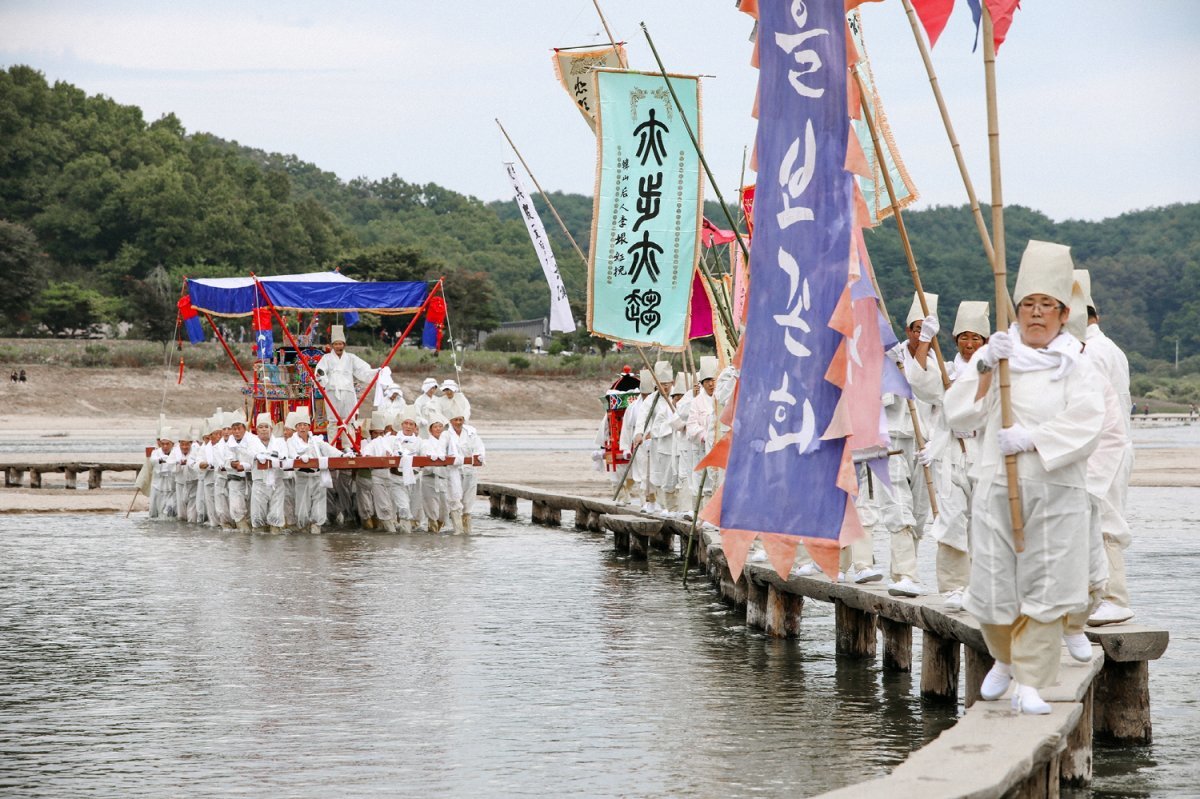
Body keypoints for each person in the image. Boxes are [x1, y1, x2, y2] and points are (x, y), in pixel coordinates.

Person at [945, 240, 1105, 715]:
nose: (1037, 314)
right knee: (993, 581)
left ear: (1062, 313)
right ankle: (1004, 657)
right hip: (997, 483)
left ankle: (1032, 679)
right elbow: (957, 416)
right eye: (1029, 305)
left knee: (1047, 582)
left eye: (1047, 306)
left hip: (1056, 487)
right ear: (1016, 311)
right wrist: (986, 368)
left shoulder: (1077, 362)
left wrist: (1033, 438)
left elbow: (1088, 420)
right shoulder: (998, 355)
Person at [906, 300, 991, 610]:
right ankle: (954, 586)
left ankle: (980, 586)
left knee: (983, 521)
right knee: (952, 519)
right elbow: (920, 383)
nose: (970, 345)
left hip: (982, 452)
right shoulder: (948, 371)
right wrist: (926, 339)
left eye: (976, 339)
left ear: (985, 342)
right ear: (956, 340)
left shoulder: (992, 369)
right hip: (952, 454)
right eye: (964, 338)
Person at [1075, 272, 1137, 626]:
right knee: (1095, 520)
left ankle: (1114, 596)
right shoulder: (1108, 347)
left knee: (1106, 522)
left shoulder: (1093, 351)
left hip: (1106, 448)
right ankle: (1097, 595)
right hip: (1110, 446)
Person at [878, 292, 938, 598]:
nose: (919, 335)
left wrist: (936, 445)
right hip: (893, 442)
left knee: (919, 513)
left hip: (924, 446)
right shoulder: (892, 359)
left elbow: (942, 405)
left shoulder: (939, 365)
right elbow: (881, 398)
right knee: (898, 508)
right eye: (915, 329)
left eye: (924, 331)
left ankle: (901, 572)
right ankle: (908, 573)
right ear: (907, 331)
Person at [314, 325, 374, 448]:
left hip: (348, 392)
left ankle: (348, 447)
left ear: (344, 345)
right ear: (332, 346)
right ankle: (332, 446)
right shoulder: (326, 358)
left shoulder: (351, 358)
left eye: (340, 344)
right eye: (336, 344)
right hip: (332, 392)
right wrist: (321, 377)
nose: (338, 347)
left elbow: (362, 369)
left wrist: (375, 372)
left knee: (348, 421)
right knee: (332, 421)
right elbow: (320, 371)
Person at [286, 407, 341, 534]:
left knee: (319, 502)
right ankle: (303, 528)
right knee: (302, 504)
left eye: (305, 425)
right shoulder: (292, 441)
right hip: (302, 477)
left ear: (309, 427)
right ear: (296, 427)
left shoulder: (316, 441)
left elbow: (329, 450)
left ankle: (317, 526)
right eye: (299, 425)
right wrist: (299, 458)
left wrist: (342, 455)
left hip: (317, 476)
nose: (302, 428)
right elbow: (292, 454)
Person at [445, 395, 485, 534]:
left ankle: (467, 532)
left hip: (470, 471)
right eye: (455, 420)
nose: (458, 422)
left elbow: (479, 447)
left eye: (460, 419)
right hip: (453, 471)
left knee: (468, 501)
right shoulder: (446, 434)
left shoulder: (471, 433)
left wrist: (479, 456)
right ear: (451, 421)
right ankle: (457, 530)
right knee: (455, 499)